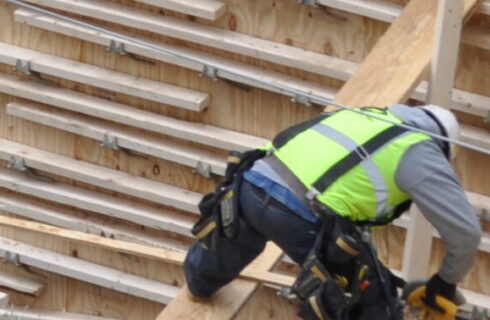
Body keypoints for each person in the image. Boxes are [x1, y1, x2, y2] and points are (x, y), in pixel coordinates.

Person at [186, 105, 475, 320]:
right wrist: (444, 283)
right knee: (372, 304)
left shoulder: (364, 115)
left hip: (251, 181)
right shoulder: (420, 150)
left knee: (225, 239)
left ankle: (198, 285)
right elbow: (466, 234)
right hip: (302, 216)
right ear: (444, 149)